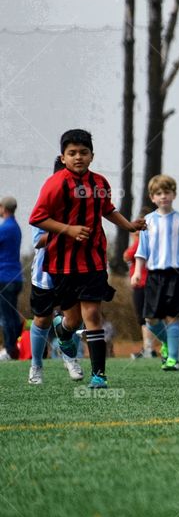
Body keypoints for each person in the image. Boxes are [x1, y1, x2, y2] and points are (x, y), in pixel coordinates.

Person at [29, 129, 147, 389]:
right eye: (72, 153)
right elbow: (36, 218)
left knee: (93, 313)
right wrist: (68, 229)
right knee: (73, 320)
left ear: (92, 156)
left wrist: (129, 226)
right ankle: (62, 330)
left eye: (83, 152)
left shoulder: (100, 183)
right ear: (63, 157)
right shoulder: (55, 184)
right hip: (62, 263)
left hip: (93, 259)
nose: (78, 157)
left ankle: (99, 376)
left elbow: (108, 209)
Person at [132, 175, 179, 372]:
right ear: (152, 197)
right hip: (154, 276)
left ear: (174, 195)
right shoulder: (148, 221)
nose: (163, 197)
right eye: (159, 193)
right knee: (150, 320)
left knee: (173, 317)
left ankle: (173, 359)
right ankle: (167, 343)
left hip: (177, 275)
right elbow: (141, 250)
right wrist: (137, 272)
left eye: (167, 192)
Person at [27, 158, 84, 385]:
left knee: (75, 319)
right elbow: (38, 241)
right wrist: (66, 231)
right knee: (41, 319)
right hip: (46, 271)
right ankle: (36, 366)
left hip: (74, 269)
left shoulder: (84, 205)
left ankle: (70, 357)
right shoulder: (45, 205)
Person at [125, 205, 158, 359]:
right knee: (147, 317)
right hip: (145, 282)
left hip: (143, 284)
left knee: (145, 317)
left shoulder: (141, 241)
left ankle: (149, 348)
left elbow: (127, 255)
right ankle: (148, 348)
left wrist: (136, 237)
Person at [0, 195, 24, 360]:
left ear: (3, 208)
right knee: (12, 314)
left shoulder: (5, 228)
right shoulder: (15, 227)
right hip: (16, 277)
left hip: (4, 277)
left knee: (6, 316)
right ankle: (13, 347)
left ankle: (10, 350)